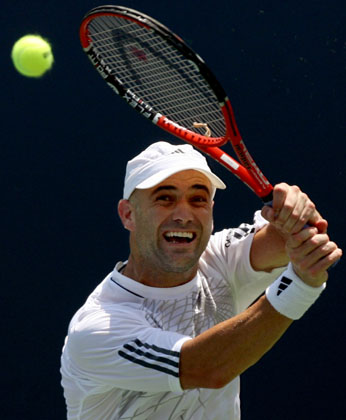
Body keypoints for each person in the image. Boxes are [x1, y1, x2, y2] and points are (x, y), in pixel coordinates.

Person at [60, 141, 341, 420]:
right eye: (165, 198)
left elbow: (287, 241)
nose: (184, 215)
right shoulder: (96, 329)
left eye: (198, 199)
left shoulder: (217, 259)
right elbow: (207, 368)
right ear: (128, 214)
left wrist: (299, 218)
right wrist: (300, 286)